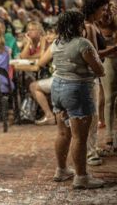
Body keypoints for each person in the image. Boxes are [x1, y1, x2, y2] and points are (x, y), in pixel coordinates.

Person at [38, 10, 105, 189]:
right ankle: (81, 177)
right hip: (77, 90)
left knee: (62, 133)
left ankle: (61, 170)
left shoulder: (57, 42)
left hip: (58, 88)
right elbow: (100, 71)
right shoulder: (82, 43)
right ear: (78, 25)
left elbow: (41, 62)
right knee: (79, 137)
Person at [83, 0, 117, 165]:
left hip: (93, 74)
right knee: (92, 114)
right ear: (95, 8)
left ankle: (93, 148)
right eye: (103, 9)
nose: (105, 12)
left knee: (93, 114)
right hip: (91, 74)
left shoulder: (94, 24)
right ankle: (90, 152)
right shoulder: (89, 26)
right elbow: (94, 53)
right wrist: (113, 49)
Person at [97, 1, 117, 156]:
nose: (108, 12)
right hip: (107, 60)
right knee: (109, 98)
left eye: (111, 9)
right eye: (106, 9)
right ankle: (109, 137)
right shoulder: (94, 24)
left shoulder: (114, 19)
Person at [30, 26, 57, 125]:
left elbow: (40, 63)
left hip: (58, 80)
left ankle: (49, 115)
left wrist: (43, 46)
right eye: (47, 33)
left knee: (33, 86)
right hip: (64, 78)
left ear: (57, 35)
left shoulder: (54, 45)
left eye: (51, 33)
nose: (47, 36)